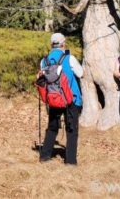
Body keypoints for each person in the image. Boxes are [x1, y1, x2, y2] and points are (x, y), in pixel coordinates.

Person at [37, 32, 83, 165]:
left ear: (51, 44)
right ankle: (70, 161)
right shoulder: (69, 58)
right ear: (63, 43)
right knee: (71, 130)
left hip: (53, 99)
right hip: (71, 99)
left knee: (52, 127)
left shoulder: (44, 61)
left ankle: (45, 156)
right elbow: (81, 74)